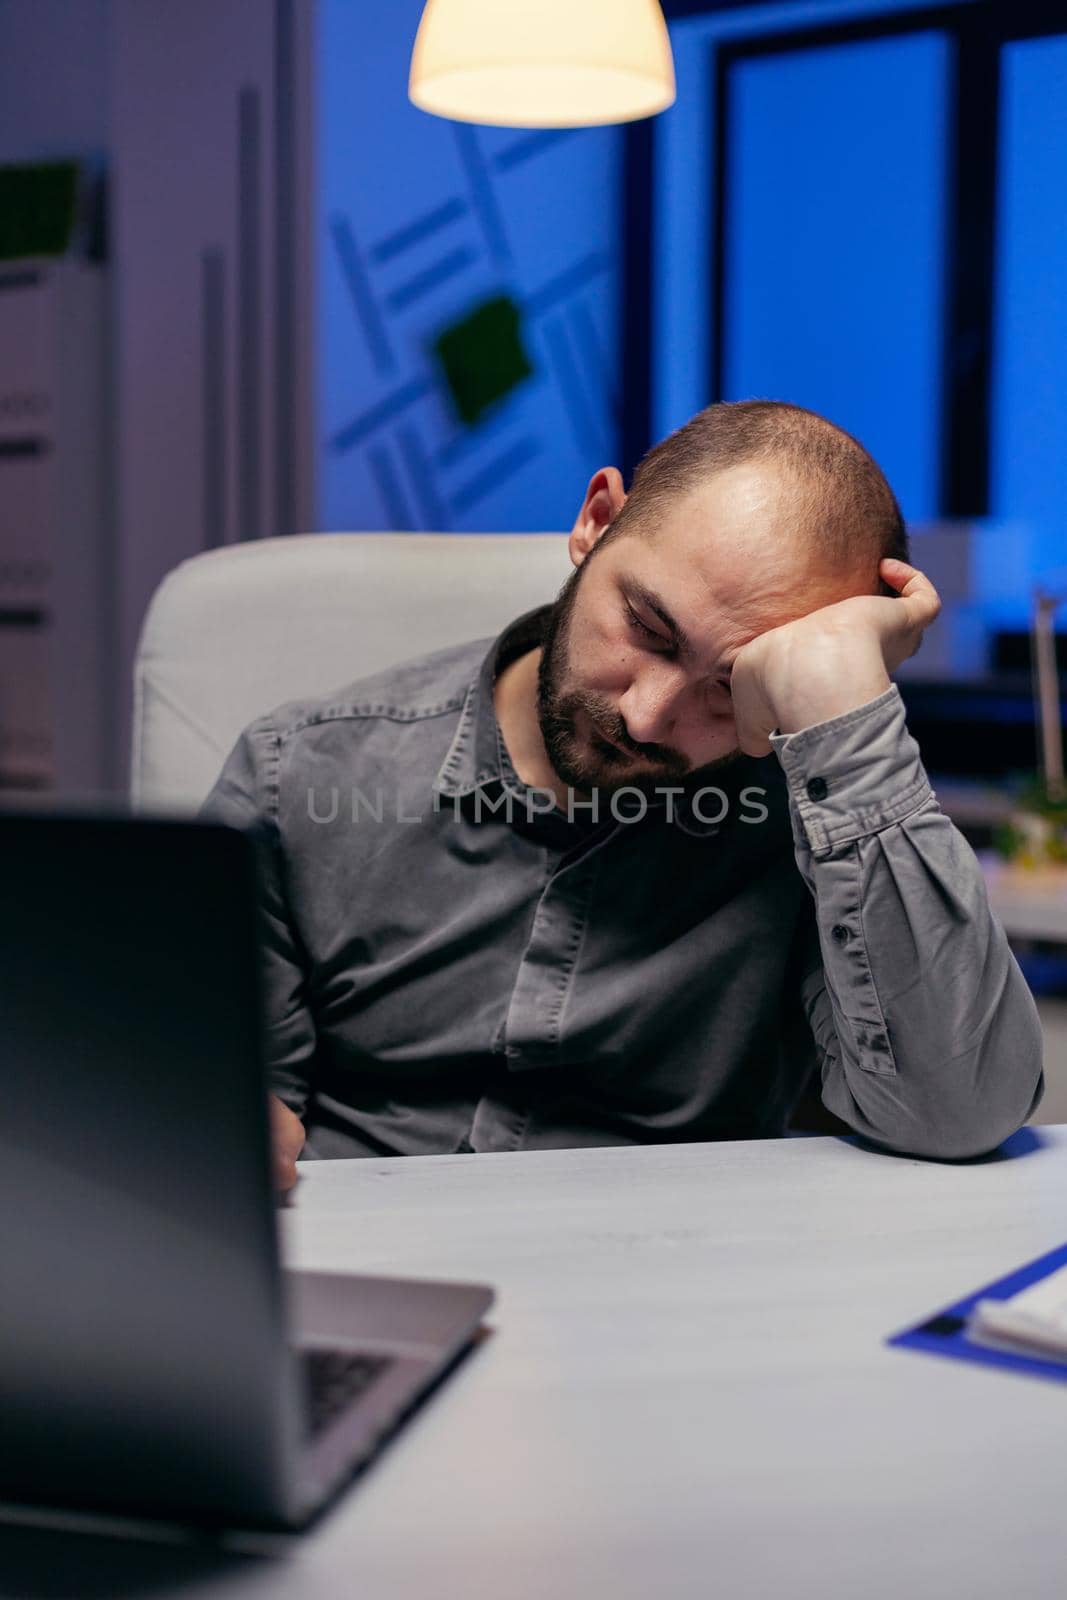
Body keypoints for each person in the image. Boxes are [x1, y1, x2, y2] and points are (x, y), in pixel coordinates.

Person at [202, 400, 1044, 1191]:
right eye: (645, 627)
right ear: (595, 522)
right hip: (372, 1267)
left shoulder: (813, 812)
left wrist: (846, 712)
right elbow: (209, 1098)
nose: (646, 716)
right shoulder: (300, 772)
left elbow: (958, 1114)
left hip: (670, 1288)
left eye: (728, 687)